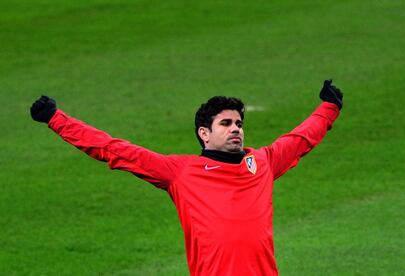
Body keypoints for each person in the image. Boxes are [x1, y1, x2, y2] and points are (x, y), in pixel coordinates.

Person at [30, 80, 343, 275]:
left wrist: (329, 107)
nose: (236, 128)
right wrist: (57, 119)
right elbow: (114, 150)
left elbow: (301, 139)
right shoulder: (180, 172)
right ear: (204, 133)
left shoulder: (262, 162)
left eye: (239, 122)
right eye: (226, 123)